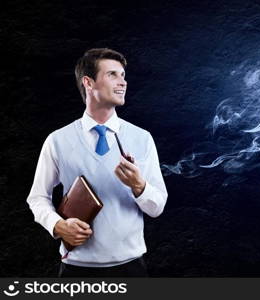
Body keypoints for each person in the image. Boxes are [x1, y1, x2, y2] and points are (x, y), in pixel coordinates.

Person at [26, 48, 168, 277]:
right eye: (112, 74)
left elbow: (157, 208)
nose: (123, 82)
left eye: (123, 75)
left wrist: (139, 186)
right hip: (76, 270)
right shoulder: (58, 140)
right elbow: (37, 197)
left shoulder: (142, 138)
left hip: (131, 269)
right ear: (88, 82)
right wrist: (57, 225)